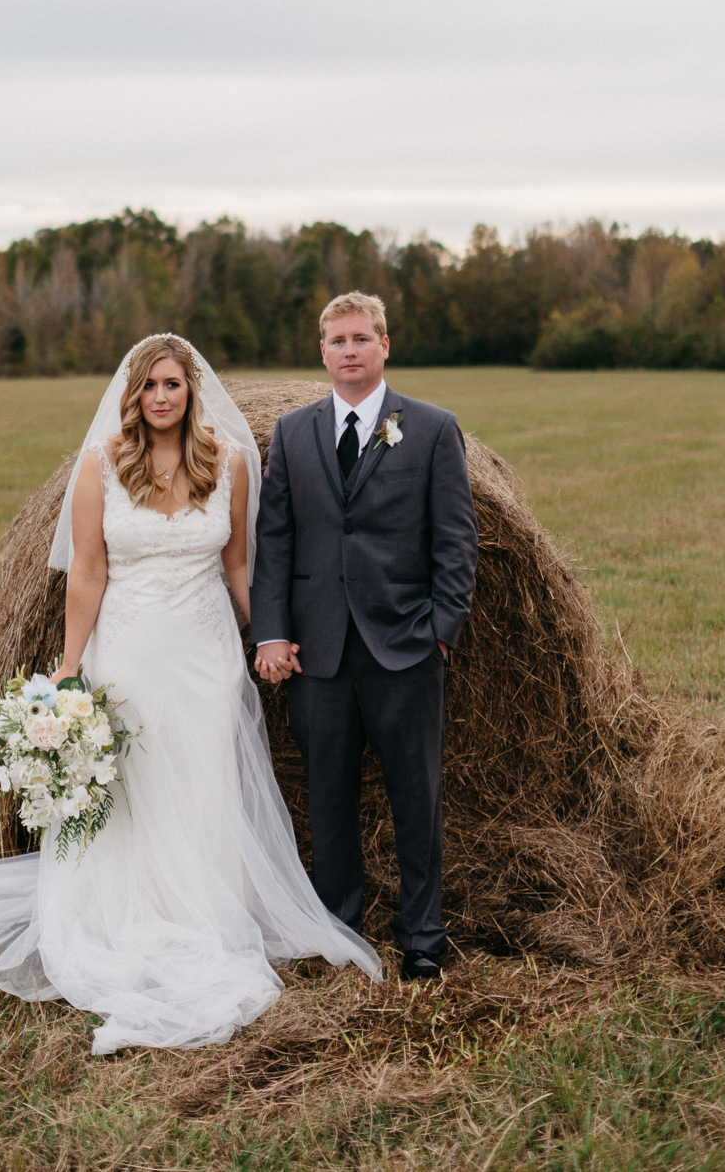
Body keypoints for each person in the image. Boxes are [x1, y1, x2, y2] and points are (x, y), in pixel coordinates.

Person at [0, 334, 380, 1053]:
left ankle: (207, 914)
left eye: (173, 384)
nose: (161, 396)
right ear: (132, 393)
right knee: (135, 789)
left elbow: (240, 565)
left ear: (191, 390)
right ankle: (127, 919)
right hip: (131, 652)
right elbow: (87, 573)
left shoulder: (232, 463)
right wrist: (69, 666)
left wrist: (270, 637)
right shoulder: (101, 468)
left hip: (206, 653)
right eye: (149, 385)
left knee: (202, 780)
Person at [251, 293, 478, 980]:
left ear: (384, 346)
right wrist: (272, 633)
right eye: (336, 340)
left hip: (405, 648)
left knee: (417, 797)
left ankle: (423, 939)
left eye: (361, 338)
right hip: (320, 654)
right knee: (328, 797)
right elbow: (276, 542)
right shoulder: (293, 434)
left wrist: (440, 631)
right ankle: (340, 929)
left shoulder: (433, 429)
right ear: (322, 352)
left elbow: (456, 541)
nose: (349, 350)